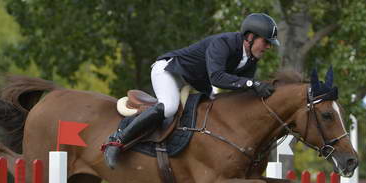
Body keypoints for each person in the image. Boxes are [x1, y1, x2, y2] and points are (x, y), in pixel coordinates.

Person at [103, 13, 280, 169]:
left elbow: (240, 88)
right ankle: (116, 141)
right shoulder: (223, 43)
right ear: (250, 37)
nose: (268, 47)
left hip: (196, 82)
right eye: (266, 41)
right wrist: (252, 84)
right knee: (169, 107)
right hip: (170, 71)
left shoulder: (250, 59)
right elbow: (218, 78)